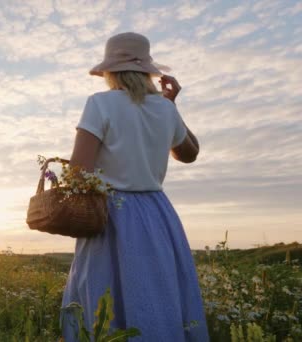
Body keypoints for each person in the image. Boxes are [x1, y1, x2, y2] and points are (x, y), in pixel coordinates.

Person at [60, 32, 209, 341]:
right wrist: (171, 106)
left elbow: (78, 171)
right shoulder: (165, 109)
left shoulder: (99, 104)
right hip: (157, 215)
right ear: (147, 71)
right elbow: (190, 153)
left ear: (109, 71)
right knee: (158, 295)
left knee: (102, 297)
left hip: (110, 214)